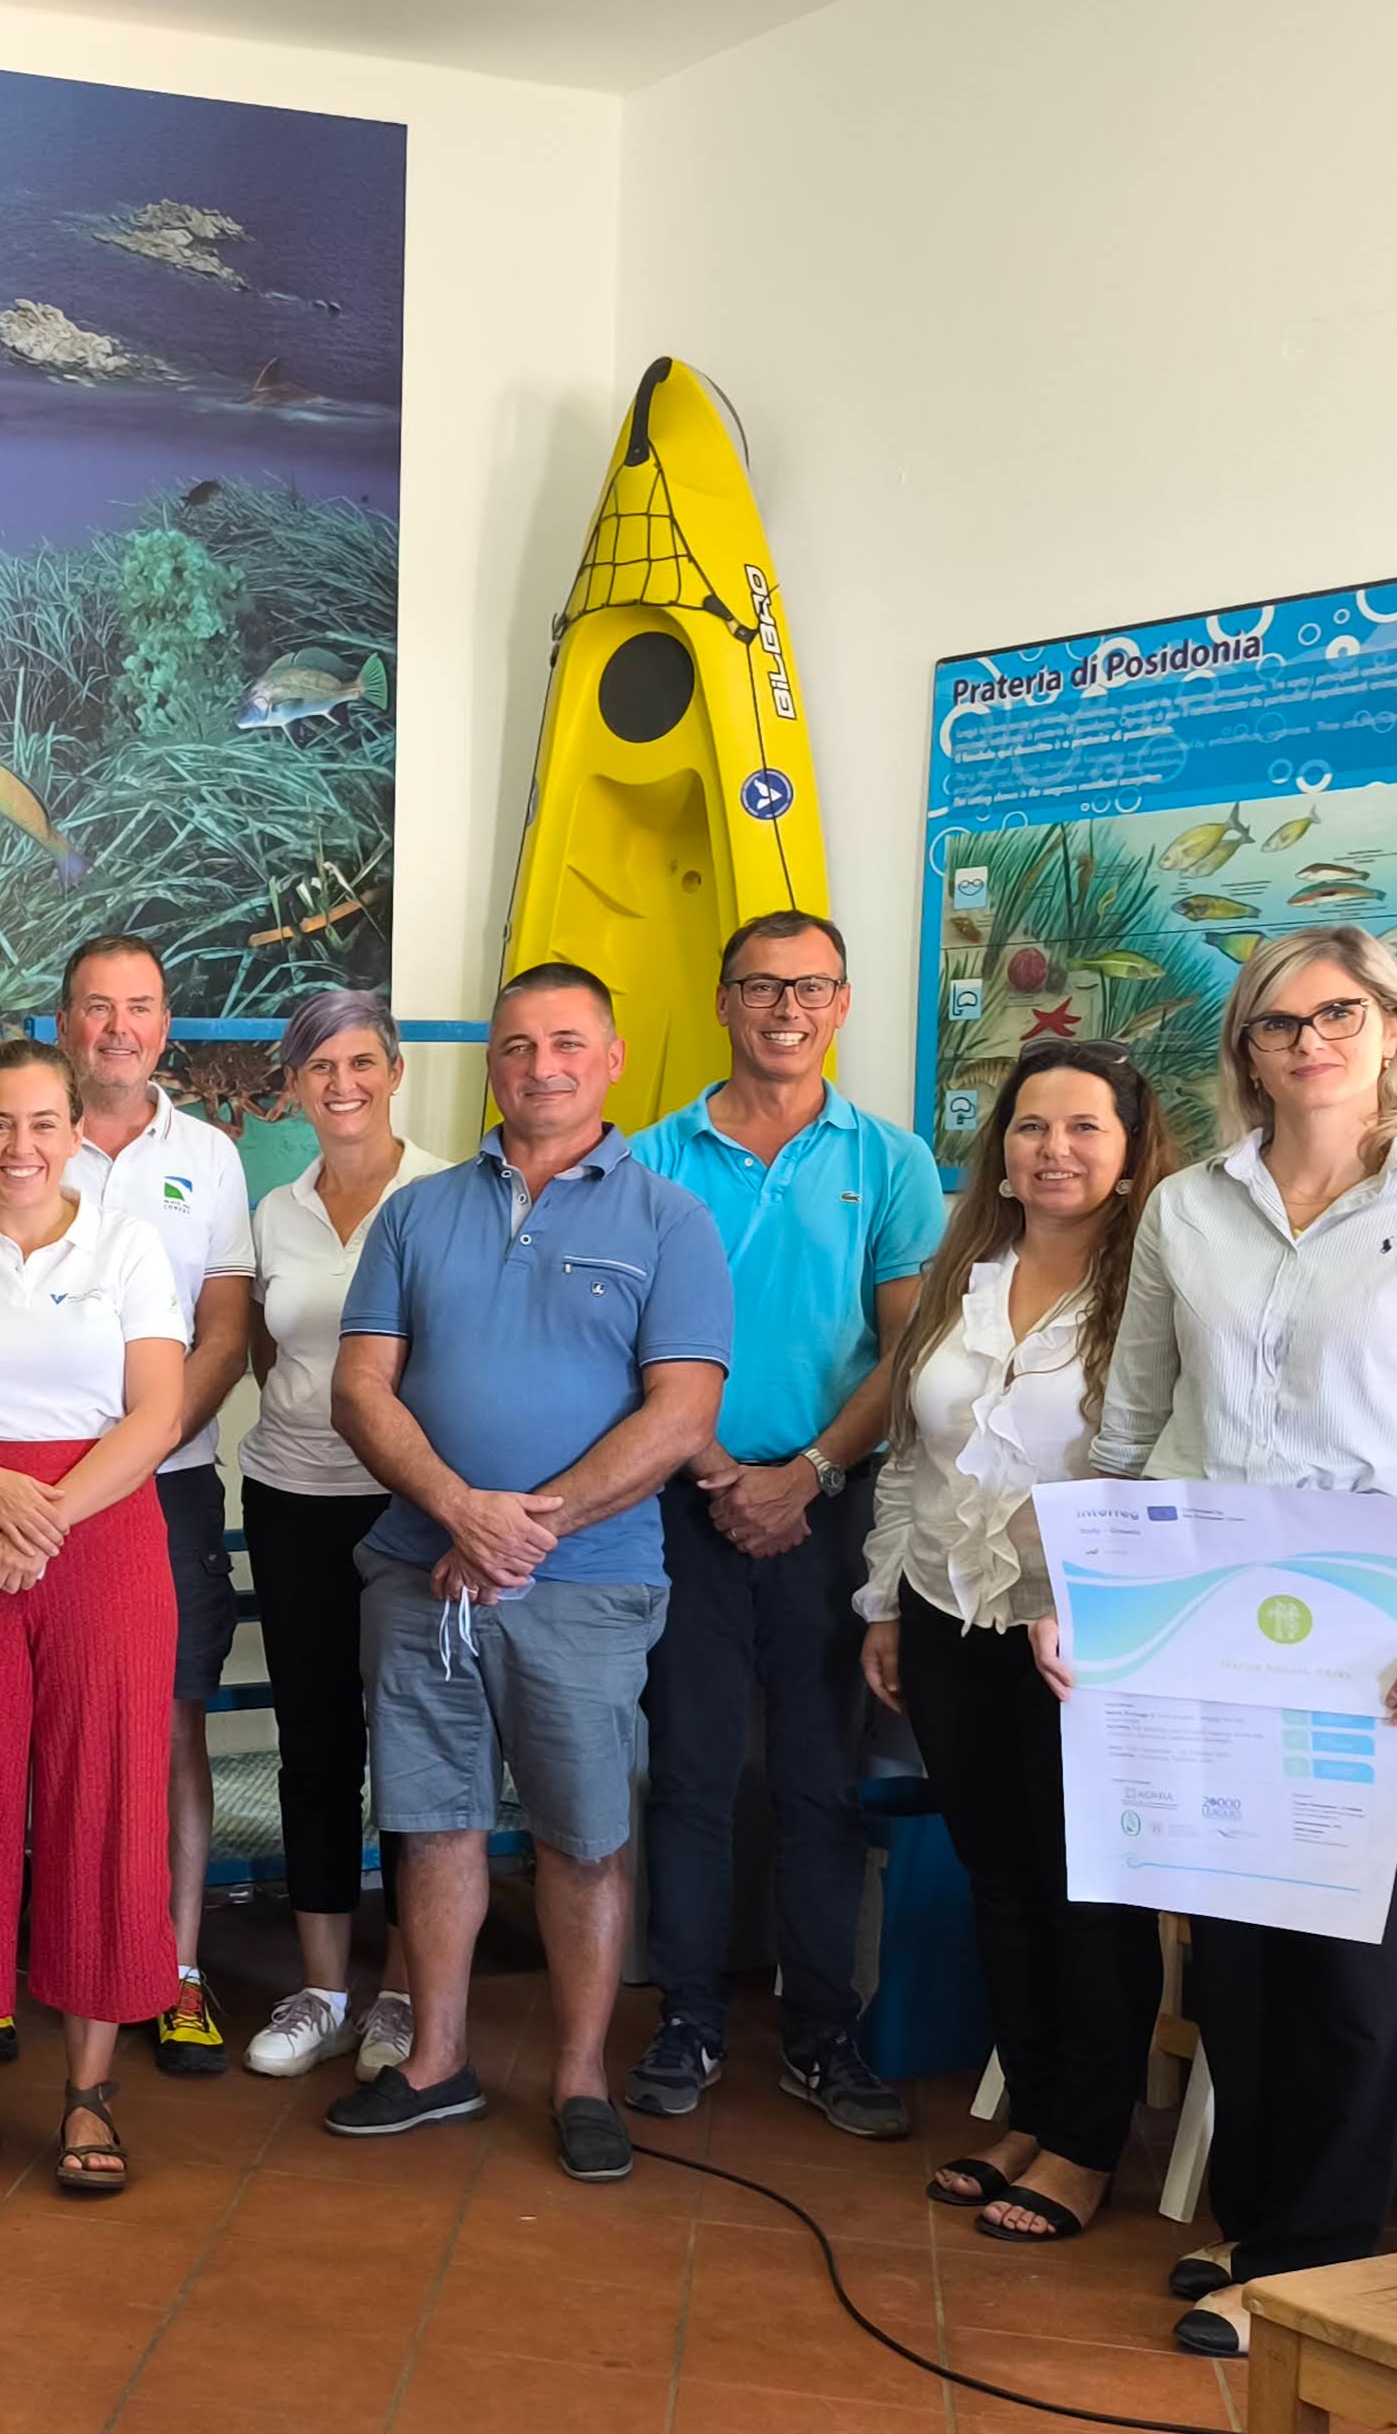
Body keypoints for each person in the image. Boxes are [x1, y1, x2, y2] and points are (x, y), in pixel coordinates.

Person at [1093, 927, 1397, 2357]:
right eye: (1276, 1023)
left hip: (1380, 1588)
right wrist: (1086, 1597)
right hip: (1211, 1579)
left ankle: (1317, 2255)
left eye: (1338, 1013)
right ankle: (1257, 2219)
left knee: (1352, 1943)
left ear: (1389, 1028)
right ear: (1246, 1050)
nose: (1309, 1042)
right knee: (1231, 1937)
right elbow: (1131, 1423)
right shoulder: (1186, 1207)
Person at [324, 961, 730, 2185]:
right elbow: (360, 1388)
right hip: (421, 1573)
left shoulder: (669, 1220)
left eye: (564, 1043)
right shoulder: (417, 1212)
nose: (539, 1066)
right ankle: (436, 2062)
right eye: (515, 1045)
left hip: (587, 1584)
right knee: (433, 1824)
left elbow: (681, 1412)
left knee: (583, 1835)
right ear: (490, 1063)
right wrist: (457, 1509)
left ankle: (580, 2078)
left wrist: (521, 1530)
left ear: (611, 1059)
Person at [629, 912, 945, 2138]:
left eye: (811, 986)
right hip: (683, 1502)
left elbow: (907, 1345)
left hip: (832, 1507)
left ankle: (822, 2031)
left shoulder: (891, 1162)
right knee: (691, 1771)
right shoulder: (652, 1157)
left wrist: (808, 1471)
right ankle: (687, 2016)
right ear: (722, 1002)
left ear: (842, 1004)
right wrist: (717, 1470)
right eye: (761, 985)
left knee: (821, 1779)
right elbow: (630, 1339)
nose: (786, 1008)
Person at [855, 1038, 1168, 2246]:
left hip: (1083, 1637)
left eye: (1085, 1127)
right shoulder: (965, 1271)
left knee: (1088, 1892)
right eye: (1033, 1126)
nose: (1054, 1149)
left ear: (1130, 1155)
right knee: (1000, 1878)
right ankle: (1031, 2111)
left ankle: (1085, 2143)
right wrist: (886, 1600)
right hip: (949, 1613)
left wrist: (1103, 1605)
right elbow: (910, 1455)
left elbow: (1166, 1472)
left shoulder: (1152, 1292)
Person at [0, 1037, 188, 2193]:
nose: (21, 1146)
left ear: (74, 1132)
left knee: (103, 1803)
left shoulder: (126, 1244)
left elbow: (155, 1413)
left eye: (42, 1122)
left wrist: (44, 1515)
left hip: (101, 1540)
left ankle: (88, 2091)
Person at [233, 989, 447, 2080]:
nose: (342, 1083)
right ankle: (319, 1989)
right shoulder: (274, 1211)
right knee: (312, 1739)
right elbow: (270, 1354)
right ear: (294, 1085)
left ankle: (404, 1994)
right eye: (319, 1067)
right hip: (289, 1496)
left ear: (394, 1071)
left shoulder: (446, 1193)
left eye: (361, 1062)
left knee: (412, 1745)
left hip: (407, 1503)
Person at [54, 935, 257, 2076]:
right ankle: (53, 1958)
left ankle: (175, 1968)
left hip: (168, 1486)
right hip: (38, 1489)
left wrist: (147, 1443)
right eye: (97, 1006)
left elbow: (224, 1330)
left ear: (165, 1026)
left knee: (174, 1718)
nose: (118, 1027)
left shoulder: (210, 1157)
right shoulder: (27, 1138)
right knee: (42, 1722)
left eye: (138, 1007)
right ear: (65, 1024)